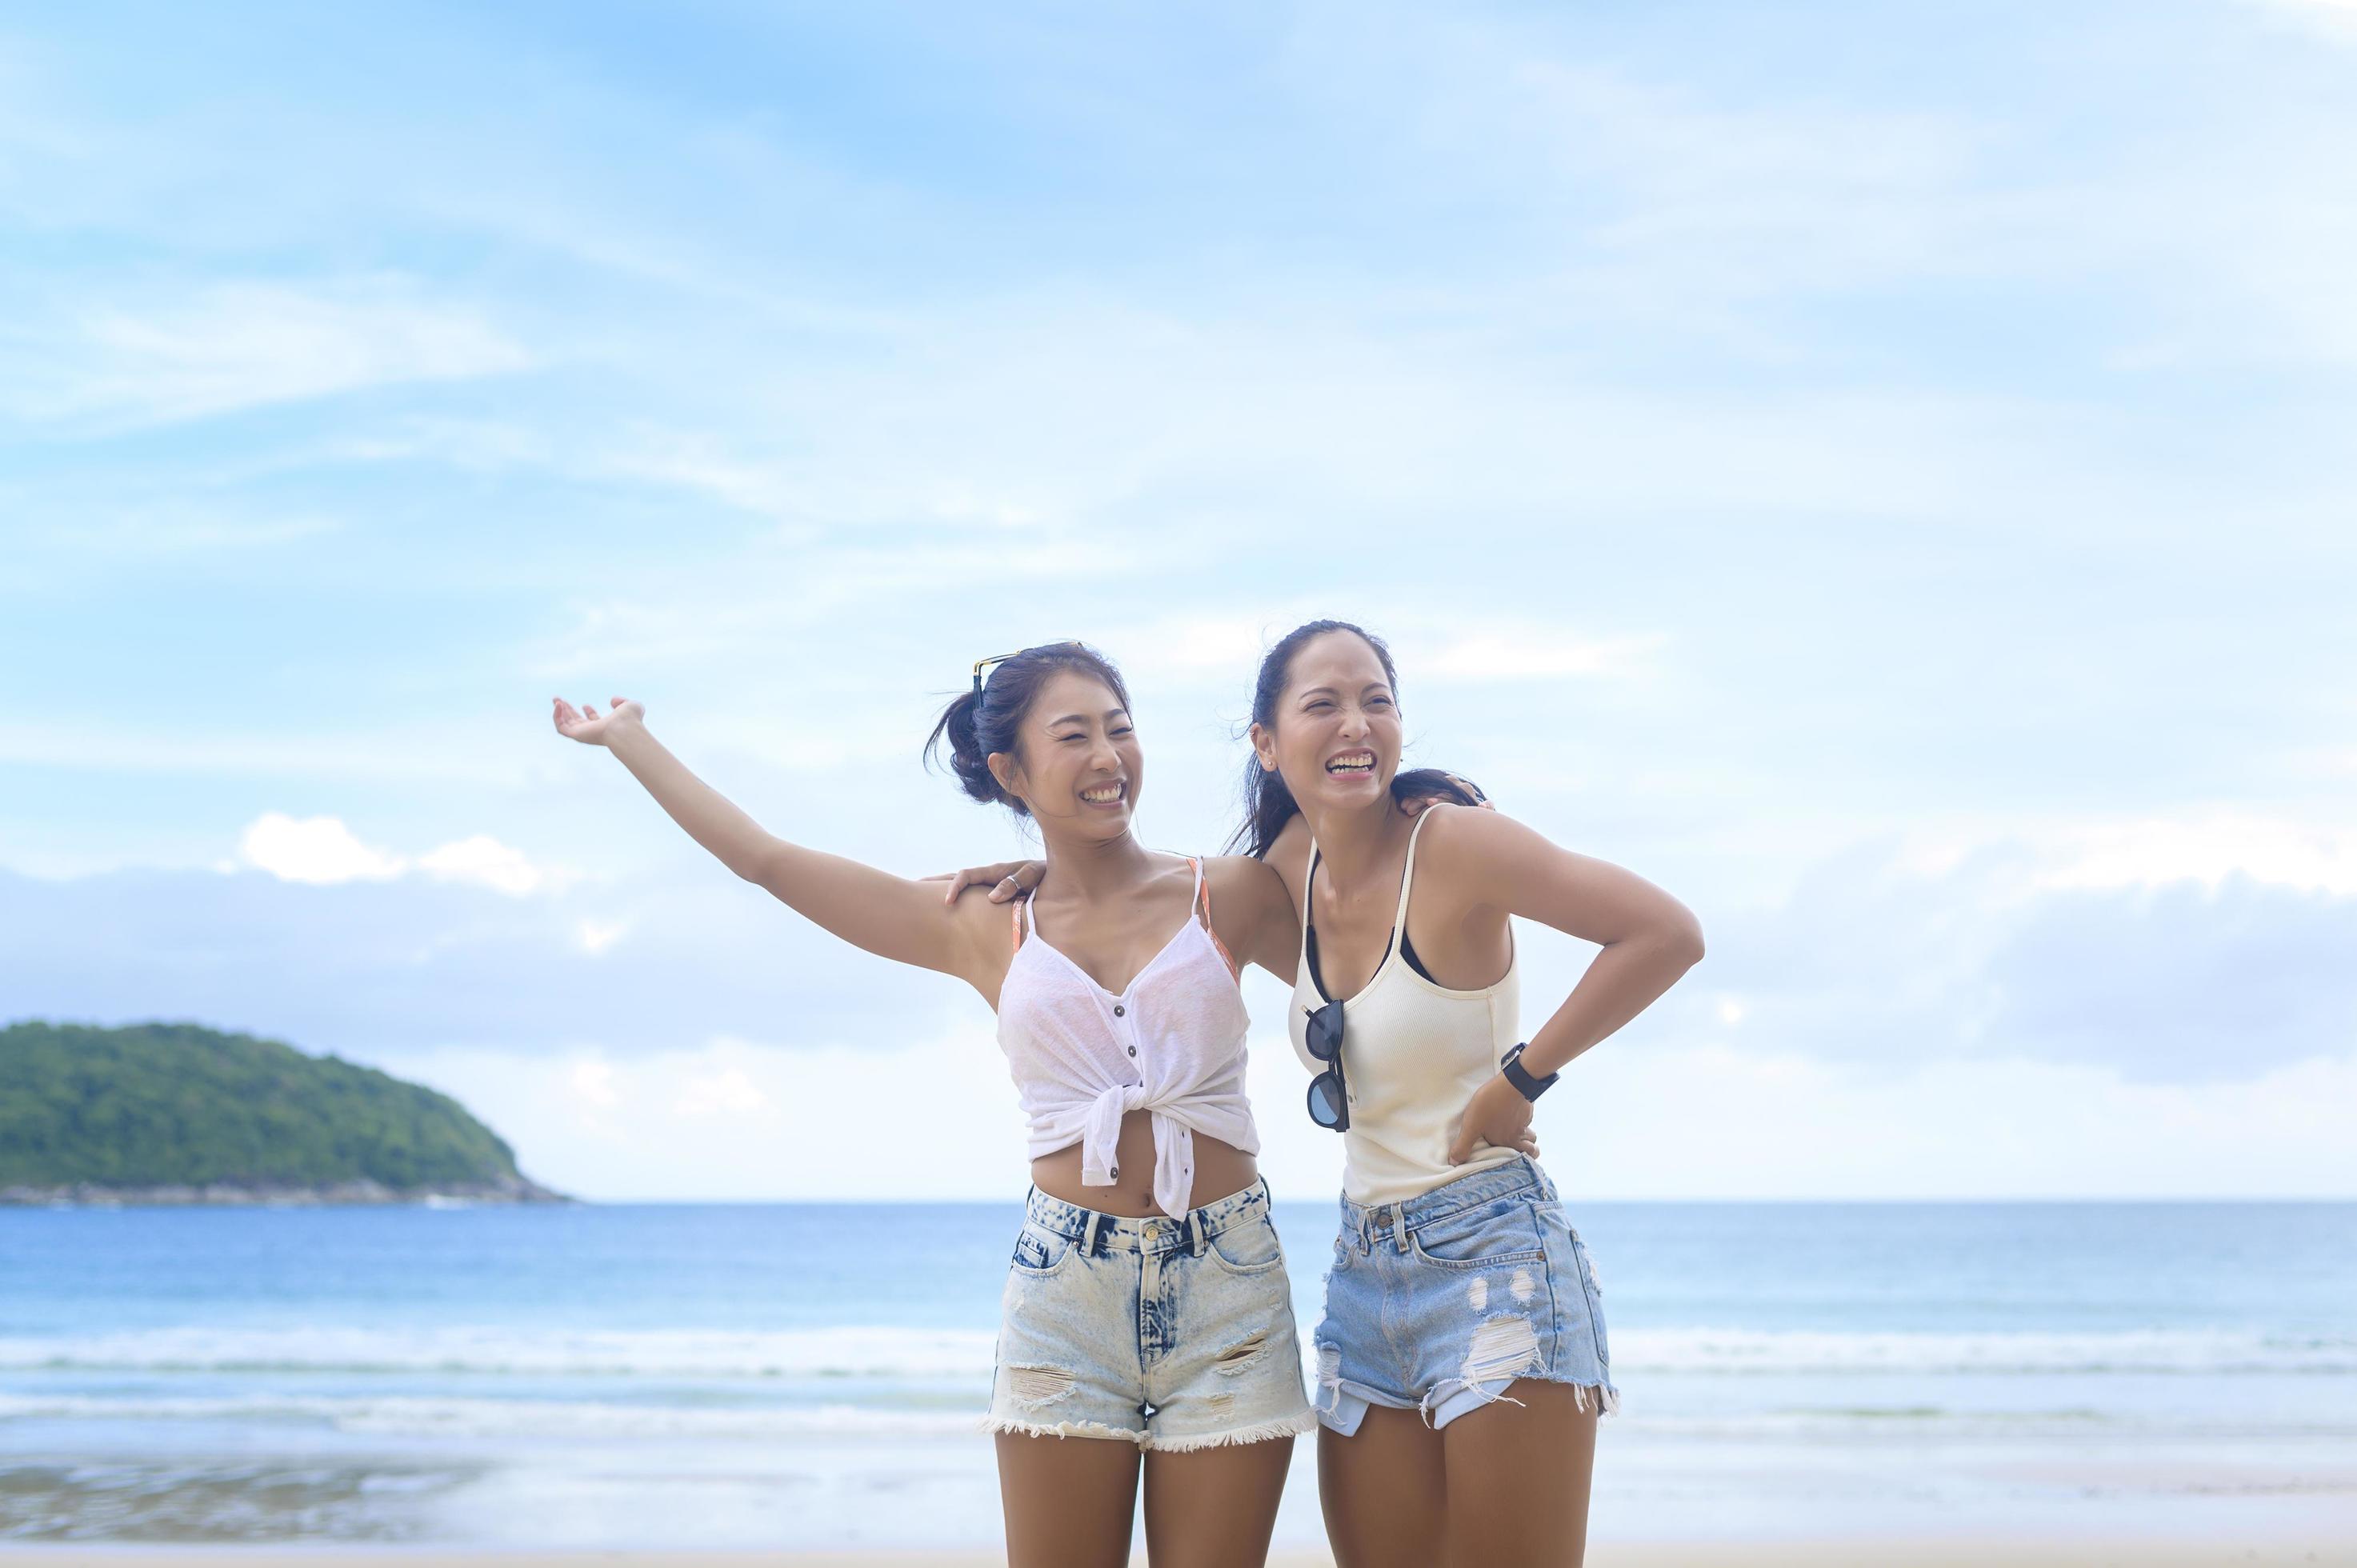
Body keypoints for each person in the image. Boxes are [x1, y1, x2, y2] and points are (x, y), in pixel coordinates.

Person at [950, 619, 1704, 1567]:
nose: (1356, 723)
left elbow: (1665, 933)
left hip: (1494, 1254)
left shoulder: (1457, 843)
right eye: (1323, 704)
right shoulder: (1285, 873)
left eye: (1377, 701)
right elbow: (1146, 902)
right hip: (1363, 1276)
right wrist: (1044, 874)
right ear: (1266, 743)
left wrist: (1520, 1080)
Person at [552, 642, 1318, 1568]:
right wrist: (630, 740)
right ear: (1011, 771)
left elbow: (1368, 936)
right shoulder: (981, 922)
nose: (1108, 756)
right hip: (1067, 1298)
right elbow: (768, 863)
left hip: (1227, 1289)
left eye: (1120, 728)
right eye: (1073, 736)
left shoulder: (1228, 894)